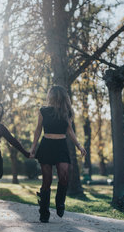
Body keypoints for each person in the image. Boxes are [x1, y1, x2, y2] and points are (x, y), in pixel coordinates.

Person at [29, 85, 86, 223]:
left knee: (64, 175)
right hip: (46, 145)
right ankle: (44, 210)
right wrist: (33, 147)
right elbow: (38, 129)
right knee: (47, 180)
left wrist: (79, 145)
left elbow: (70, 131)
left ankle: (60, 202)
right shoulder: (43, 111)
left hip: (61, 146)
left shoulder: (67, 112)